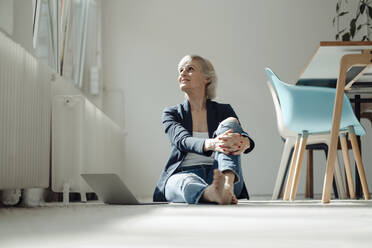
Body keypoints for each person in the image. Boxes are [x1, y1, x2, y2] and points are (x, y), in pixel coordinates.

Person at [153, 55, 255, 205]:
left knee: (231, 123)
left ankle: (226, 187)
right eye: (180, 70)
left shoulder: (224, 110)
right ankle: (211, 193)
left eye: (190, 69)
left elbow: (243, 137)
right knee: (179, 182)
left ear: (207, 78)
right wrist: (212, 144)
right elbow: (182, 141)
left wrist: (245, 142)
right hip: (186, 174)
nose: (182, 73)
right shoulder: (171, 113)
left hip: (222, 173)